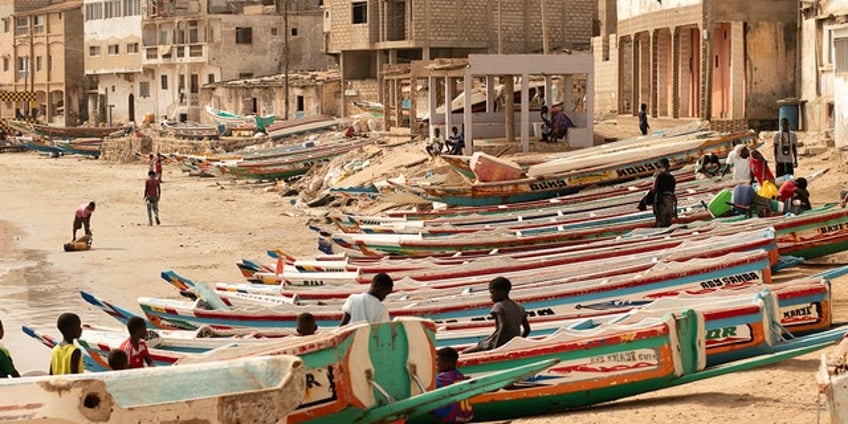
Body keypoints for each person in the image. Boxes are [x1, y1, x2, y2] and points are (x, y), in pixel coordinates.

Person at [462, 277, 530, 354]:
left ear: (501, 292)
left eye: (492, 293)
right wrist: (517, 342)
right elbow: (527, 329)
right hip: (511, 343)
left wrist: (495, 348)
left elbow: (502, 327)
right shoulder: (519, 307)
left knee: (464, 352)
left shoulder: (499, 306)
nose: (491, 296)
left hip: (494, 343)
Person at [429, 347, 473, 423]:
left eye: (438, 361)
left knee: (428, 403)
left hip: (455, 418)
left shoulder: (442, 378)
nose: (436, 364)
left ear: (447, 362)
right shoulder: (460, 375)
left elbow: (428, 386)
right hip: (468, 416)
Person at [652, 158, 677, 228]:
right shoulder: (671, 177)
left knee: (661, 222)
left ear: (661, 166)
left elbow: (654, 188)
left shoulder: (659, 176)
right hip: (670, 199)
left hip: (662, 200)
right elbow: (673, 190)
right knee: (668, 221)